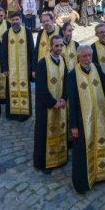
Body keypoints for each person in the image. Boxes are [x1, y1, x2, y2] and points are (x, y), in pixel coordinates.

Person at [67, 44, 105, 194]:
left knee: (100, 143)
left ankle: (100, 174)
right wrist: (73, 126)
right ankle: (82, 182)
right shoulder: (73, 75)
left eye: (89, 56)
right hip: (82, 121)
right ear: (78, 58)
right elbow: (71, 102)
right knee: (82, 151)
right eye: (84, 56)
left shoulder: (97, 68)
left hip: (99, 118)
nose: (87, 59)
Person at [33, 35, 69, 173]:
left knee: (61, 129)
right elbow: (41, 87)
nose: (59, 48)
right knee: (44, 133)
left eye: (61, 45)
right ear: (51, 46)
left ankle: (60, 158)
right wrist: (53, 102)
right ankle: (44, 163)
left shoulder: (62, 60)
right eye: (56, 46)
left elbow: (65, 81)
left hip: (60, 104)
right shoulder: (43, 63)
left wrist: (64, 98)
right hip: (46, 106)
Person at [1, 13, 32, 119]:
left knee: (25, 90)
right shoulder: (6, 34)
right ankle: (12, 114)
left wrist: (32, 69)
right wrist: (4, 68)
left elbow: (32, 51)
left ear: (21, 20)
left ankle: (24, 113)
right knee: (11, 90)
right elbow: (3, 52)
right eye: (13, 20)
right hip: (11, 70)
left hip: (25, 69)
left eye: (17, 19)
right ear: (10, 21)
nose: (15, 22)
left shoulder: (27, 32)